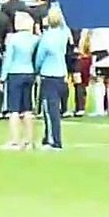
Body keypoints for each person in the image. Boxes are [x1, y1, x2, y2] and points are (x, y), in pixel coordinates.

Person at [0, 10, 40, 151]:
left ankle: (15, 141)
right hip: (29, 73)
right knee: (27, 108)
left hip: (14, 73)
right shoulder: (35, 39)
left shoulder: (13, 39)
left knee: (14, 109)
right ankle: (29, 141)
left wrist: (2, 77)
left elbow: (8, 59)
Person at [34, 9, 69, 150]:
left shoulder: (46, 38)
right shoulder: (63, 34)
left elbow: (40, 57)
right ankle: (49, 137)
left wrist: (36, 69)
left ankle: (53, 140)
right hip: (61, 73)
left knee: (49, 109)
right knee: (55, 108)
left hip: (49, 75)